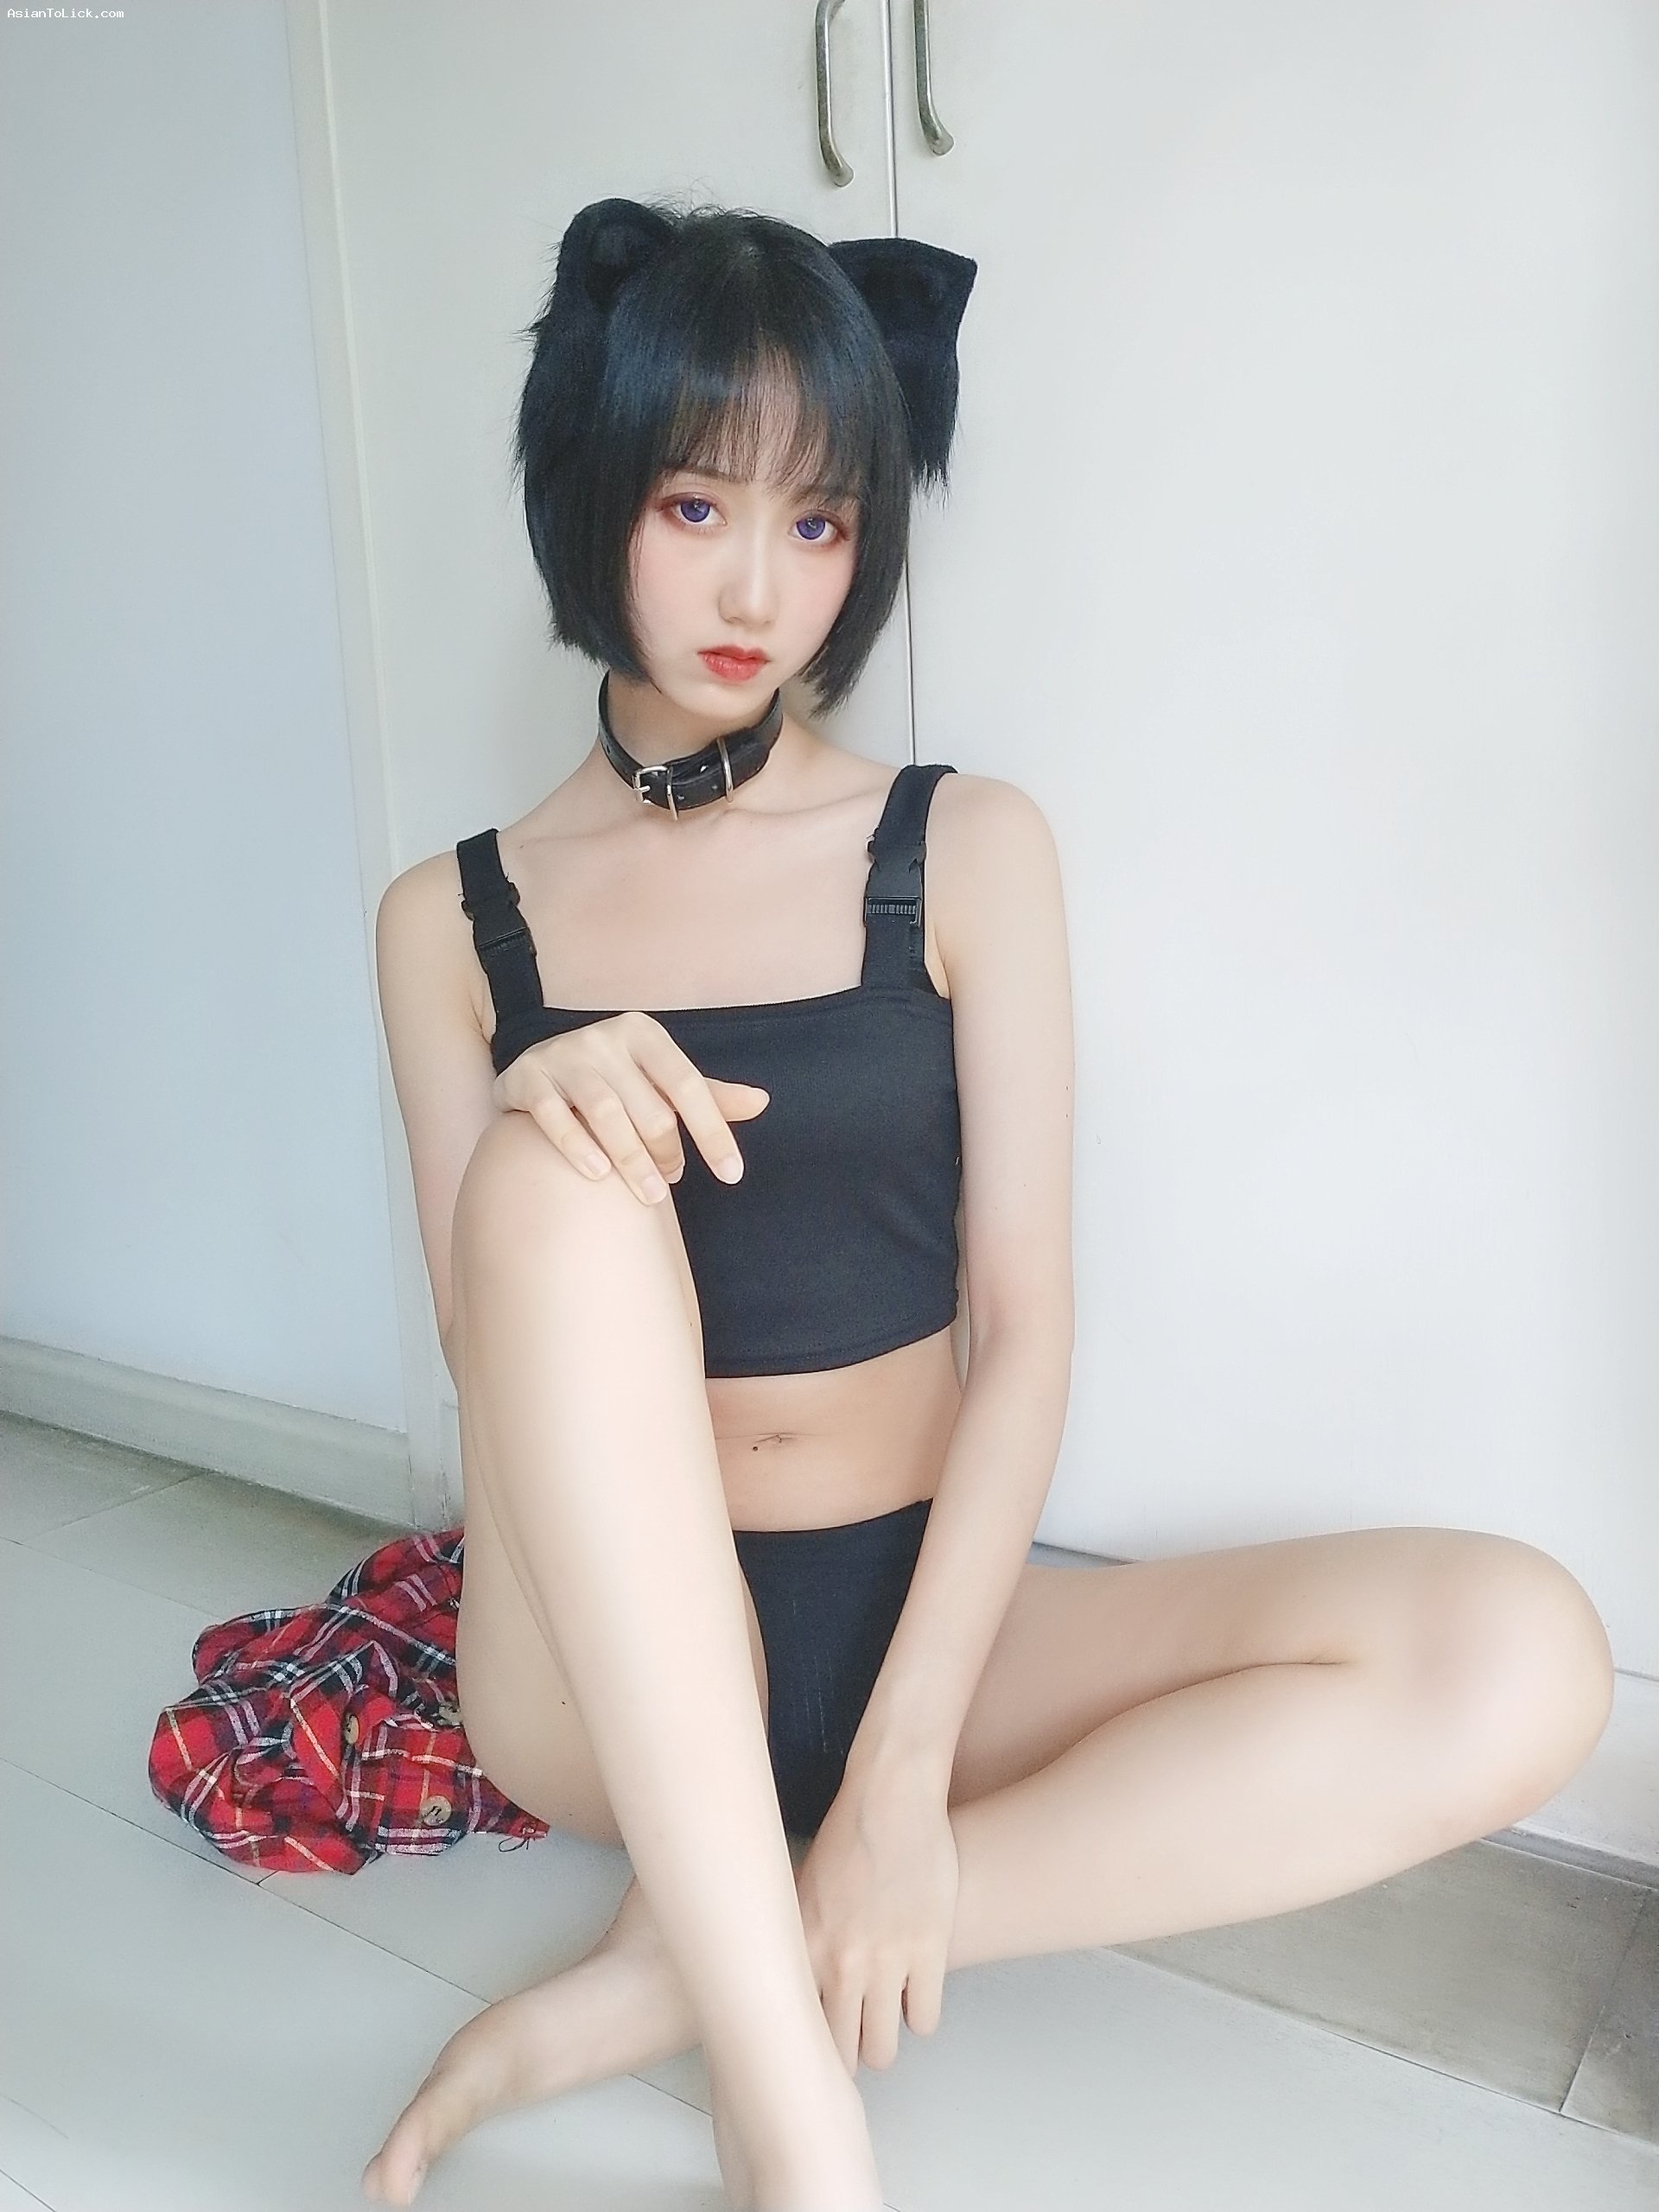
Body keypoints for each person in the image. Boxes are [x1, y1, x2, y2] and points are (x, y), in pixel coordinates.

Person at [362, 196, 1615, 2212]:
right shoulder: (449, 916)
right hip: (588, 1671)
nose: (758, 586)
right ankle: (801, 2128)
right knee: (557, 1152)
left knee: (1521, 1648)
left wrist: (904, 1767)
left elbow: (1023, 1330)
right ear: (595, 493)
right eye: (695, 506)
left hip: (909, 1613)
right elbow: (477, 1345)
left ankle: (697, 1962)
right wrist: (533, 1099)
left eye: (820, 521)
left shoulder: (964, 846)